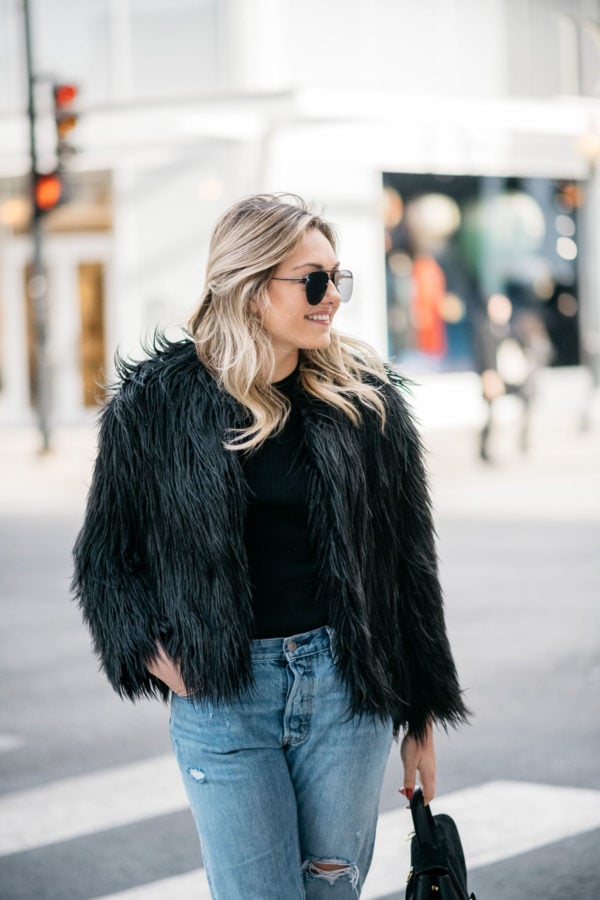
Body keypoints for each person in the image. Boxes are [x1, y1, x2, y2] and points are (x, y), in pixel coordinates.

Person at [72, 193, 469, 899]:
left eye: (336, 279)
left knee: (330, 890)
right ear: (252, 288)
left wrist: (421, 714)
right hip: (222, 692)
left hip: (348, 689)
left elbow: (410, 565)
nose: (332, 299)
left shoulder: (366, 401)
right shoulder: (155, 406)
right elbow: (106, 557)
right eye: (313, 281)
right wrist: (156, 656)